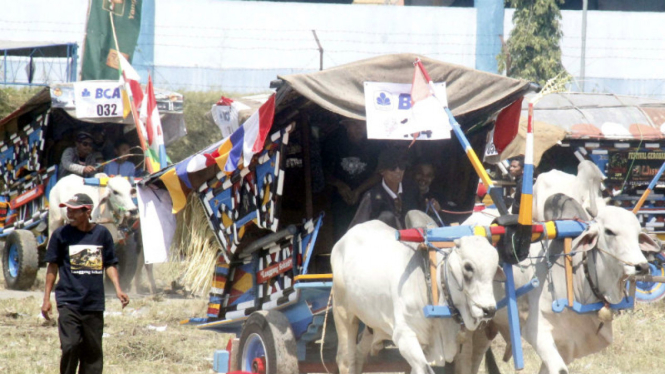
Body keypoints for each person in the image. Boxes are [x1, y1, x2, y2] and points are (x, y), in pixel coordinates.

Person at [42, 193, 130, 374]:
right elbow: (52, 267)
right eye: (68, 210)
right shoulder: (61, 235)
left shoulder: (102, 235)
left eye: (74, 211)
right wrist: (46, 299)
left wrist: (119, 289)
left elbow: (110, 264)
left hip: (93, 303)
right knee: (71, 346)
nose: (69, 214)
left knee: (93, 353)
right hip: (68, 301)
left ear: (87, 211)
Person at [322, 118, 381, 241]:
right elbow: (323, 171)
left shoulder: (375, 142)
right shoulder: (333, 141)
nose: (359, 127)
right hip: (341, 198)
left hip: (368, 197)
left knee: (368, 237)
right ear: (346, 125)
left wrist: (359, 191)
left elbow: (380, 173)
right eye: (354, 123)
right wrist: (339, 185)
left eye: (362, 123)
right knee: (342, 236)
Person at [349, 149, 418, 230]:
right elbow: (356, 228)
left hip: (412, 241)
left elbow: (422, 218)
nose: (398, 171)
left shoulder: (412, 190)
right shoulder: (371, 196)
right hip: (382, 241)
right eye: (392, 168)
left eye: (402, 166)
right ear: (382, 171)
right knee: (387, 217)